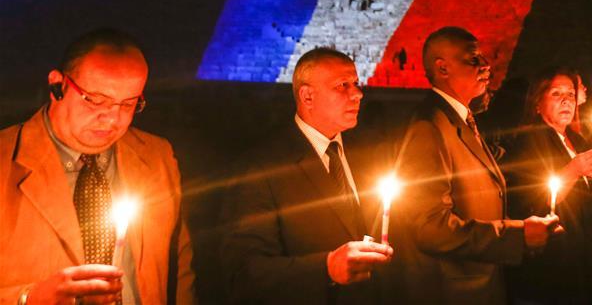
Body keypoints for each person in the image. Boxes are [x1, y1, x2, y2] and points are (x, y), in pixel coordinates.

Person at [0, 28, 195, 304]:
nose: (112, 118)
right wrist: (26, 299)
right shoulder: (5, 160)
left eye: (128, 104)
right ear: (58, 85)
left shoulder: (156, 156)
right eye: (96, 100)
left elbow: (179, 269)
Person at [390, 27, 560, 304]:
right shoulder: (429, 126)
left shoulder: (460, 119)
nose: (485, 65)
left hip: (480, 281)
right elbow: (430, 226)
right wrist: (516, 235)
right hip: (456, 290)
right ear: (442, 68)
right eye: (473, 59)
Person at [220, 48, 392, 304]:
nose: (357, 94)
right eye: (342, 85)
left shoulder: (371, 151)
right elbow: (246, 273)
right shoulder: (262, 167)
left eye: (355, 83)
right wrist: (325, 269)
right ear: (307, 96)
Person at [504, 67, 592, 304]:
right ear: (537, 103)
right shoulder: (530, 141)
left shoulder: (577, 140)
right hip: (552, 262)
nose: (567, 100)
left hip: (580, 253)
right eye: (557, 94)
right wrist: (573, 170)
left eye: (570, 94)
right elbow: (530, 202)